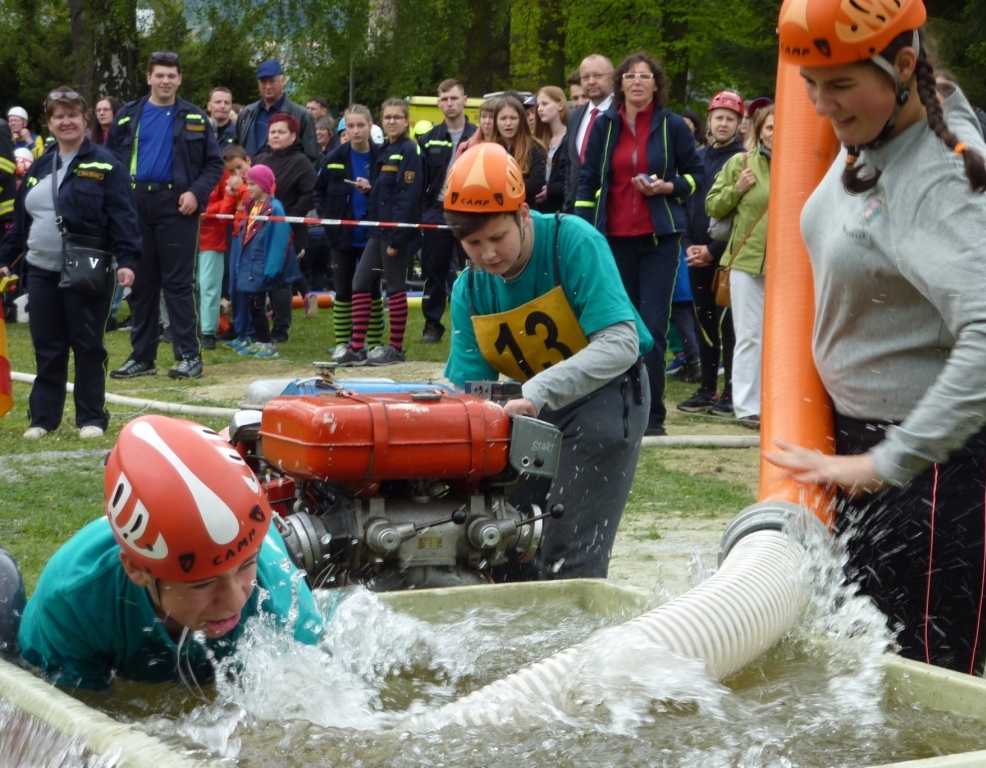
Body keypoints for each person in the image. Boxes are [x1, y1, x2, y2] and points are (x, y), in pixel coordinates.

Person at [766, 0, 986, 675]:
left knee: (925, 681)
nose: (820, 105)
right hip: (870, 447)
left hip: (929, 467)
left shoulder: (940, 177)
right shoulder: (906, 117)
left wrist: (887, 463)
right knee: (868, 668)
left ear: (905, 66)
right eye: (809, 83)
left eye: (839, 84)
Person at [443, 143, 652, 579]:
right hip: (533, 408)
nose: (487, 254)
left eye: (497, 237)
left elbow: (620, 343)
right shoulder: (469, 290)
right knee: (503, 540)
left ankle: (581, 642)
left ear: (522, 215)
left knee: (567, 550)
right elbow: (466, 393)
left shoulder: (573, 240)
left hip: (607, 397)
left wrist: (536, 392)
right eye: (473, 243)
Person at [16, 415, 324, 690]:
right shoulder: (73, 603)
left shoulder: (284, 606)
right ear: (136, 569)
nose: (234, 601)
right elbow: (76, 725)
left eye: (247, 565)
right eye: (203, 583)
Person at [575, 52, 705, 437]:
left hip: (659, 241)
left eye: (644, 77)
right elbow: (586, 181)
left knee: (651, 328)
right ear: (621, 84)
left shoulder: (672, 126)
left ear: (655, 84)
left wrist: (668, 187)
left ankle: (652, 416)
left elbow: (696, 175)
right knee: (616, 328)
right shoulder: (605, 126)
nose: (636, 82)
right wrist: (584, 232)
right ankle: (617, 411)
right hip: (612, 241)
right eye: (629, 76)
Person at [0, 88, 140, 440]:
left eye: (72, 115)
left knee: (88, 345)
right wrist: (6, 258)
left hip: (87, 269)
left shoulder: (107, 164)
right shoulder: (40, 165)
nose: (66, 121)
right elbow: (22, 219)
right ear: (49, 123)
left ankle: (91, 418)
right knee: (48, 347)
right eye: (58, 116)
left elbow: (124, 216)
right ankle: (43, 420)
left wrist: (127, 260)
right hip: (40, 271)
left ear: (84, 119)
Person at [107, 51, 223, 381]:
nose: (166, 81)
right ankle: (142, 356)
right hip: (135, 206)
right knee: (141, 285)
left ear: (180, 79)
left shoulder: (196, 117)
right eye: (160, 75)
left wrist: (196, 193)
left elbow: (214, 164)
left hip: (177, 206)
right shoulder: (129, 115)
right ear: (149, 78)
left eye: (172, 75)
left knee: (177, 284)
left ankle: (189, 355)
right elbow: (112, 162)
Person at [334, 99, 422, 367]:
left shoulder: (409, 150)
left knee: (394, 288)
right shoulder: (386, 149)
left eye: (397, 117)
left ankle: (396, 348)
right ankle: (357, 348)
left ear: (407, 121)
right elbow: (385, 193)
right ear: (381, 121)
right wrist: (370, 189)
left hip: (395, 232)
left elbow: (408, 198)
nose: (392, 121)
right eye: (388, 117)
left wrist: (397, 237)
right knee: (360, 283)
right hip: (378, 230)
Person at [678, 91, 746, 416]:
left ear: (739, 124)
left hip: (727, 256)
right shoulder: (698, 157)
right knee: (702, 320)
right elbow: (684, 202)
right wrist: (688, 244)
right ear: (709, 120)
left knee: (730, 326)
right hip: (694, 252)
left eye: (729, 119)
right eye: (718, 117)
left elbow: (742, 214)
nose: (723, 123)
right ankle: (707, 388)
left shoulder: (745, 161)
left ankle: (732, 391)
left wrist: (712, 249)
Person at [705, 104, 773, 430]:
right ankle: (747, 407)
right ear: (759, 130)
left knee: (782, 339)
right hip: (746, 263)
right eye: (770, 127)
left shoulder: (802, 162)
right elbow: (712, 205)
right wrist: (738, 188)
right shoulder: (740, 162)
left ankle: (775, 403)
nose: (775, 134)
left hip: (788, 267)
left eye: (780, 128)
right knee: (749, 336)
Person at [313, 104, 384, 359]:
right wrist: (326, 218)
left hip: (372, 237)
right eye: (350, 126)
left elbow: (389, 191)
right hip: (341, 236)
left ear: (370, 126)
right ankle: (343, 343)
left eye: (360, 125)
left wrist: (372, 187)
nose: (356, 131)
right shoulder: (334, 157)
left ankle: (374, 343)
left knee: (372, 289)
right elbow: (318, 190)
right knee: (343, 290)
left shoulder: (381, 157)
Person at [418, 78, 477, 344]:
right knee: (434, 270)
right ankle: (432, 325)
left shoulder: (480, 136)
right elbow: (420, 180)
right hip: (437, 211)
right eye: (444, 99)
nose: (449, 104)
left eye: (454, 98)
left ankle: (477, 321)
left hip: (472, 211)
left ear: (465, 100)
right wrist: (424, 212)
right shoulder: (429, 139)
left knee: (475, 268)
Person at [254, 112, 318, 341]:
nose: (276, 136)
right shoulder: (260, 159)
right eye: (272, 132)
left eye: (281, 132)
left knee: (280, 279)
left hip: (289, 230)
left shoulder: (301, 163)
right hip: (259, 230)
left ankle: (281, 327)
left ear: (293, 137)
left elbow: (311, 193)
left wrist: (289, 216)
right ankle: (257, 323)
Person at [229, 164, 300, 358]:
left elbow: (279, 241)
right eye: (247, 183)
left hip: (261, 264)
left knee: (258, 305)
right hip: (251, 263)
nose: (249, 188)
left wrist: (272, 268)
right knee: (253, 303)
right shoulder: (252, 205)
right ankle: (260, 341)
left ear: (263, 184)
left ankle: (267, 344)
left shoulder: (274, 208)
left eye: (252, 184)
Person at [197, 144, 247, 350]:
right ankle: (184, 327)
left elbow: (226, 207)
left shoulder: (220, 171)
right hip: (187, 234)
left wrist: (203, 210)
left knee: (208, 286)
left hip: (211, 237)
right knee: (185, 285)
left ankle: (208, 331)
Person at [237, 60, 319, 163]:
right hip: (247, 177)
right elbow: (236, 150)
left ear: (283, 81)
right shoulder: (247, 113)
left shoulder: (302, 116)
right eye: (263, 81)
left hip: (283, 177)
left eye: (272, 81)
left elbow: (311, 158)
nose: (268, 86)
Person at [563, 54, 615, 213]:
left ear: (613, 77)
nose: (591, 81)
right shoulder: (574, 117)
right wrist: (568, 200)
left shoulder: (624, 113)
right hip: (576, 209)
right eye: (585, 77)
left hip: (611, 209)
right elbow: (571, 165)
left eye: (598, 75)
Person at [492, 96, 546, 209]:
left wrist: (499, 187)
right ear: (496, 122)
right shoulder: (489, 149)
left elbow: (535, 184)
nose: (508, 123)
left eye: (513, 118)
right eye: (503, 118)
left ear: (521, 121)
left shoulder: (535, 148)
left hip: (525, 211)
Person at [533, 86, 569, 214]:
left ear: (560, 105)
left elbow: (571, 177)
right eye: (538, 105)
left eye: (545, 103)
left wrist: (551, 190)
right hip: (541, 209)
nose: (540, 109)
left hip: (562, 209)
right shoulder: (539, 140)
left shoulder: (572, 137)